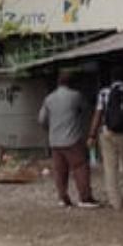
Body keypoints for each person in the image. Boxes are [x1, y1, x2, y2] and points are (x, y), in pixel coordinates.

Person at [39, 70, 97, 208]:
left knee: (60, 171)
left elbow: (41, 119)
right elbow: (86, 109)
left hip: (55, 141)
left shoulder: (49, 99)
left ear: (58, 82)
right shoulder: (76, 96)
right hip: (73, 139)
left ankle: (63, 198)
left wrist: (51, 128)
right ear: (72, 83)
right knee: (80, 167)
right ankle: (85, 197)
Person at [88, 67, 123, 209]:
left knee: (110, 167)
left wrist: (92, 135)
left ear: (112, 79)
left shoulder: (104, 93)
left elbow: (98, 114)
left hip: (109, 134)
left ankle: (115, 202)